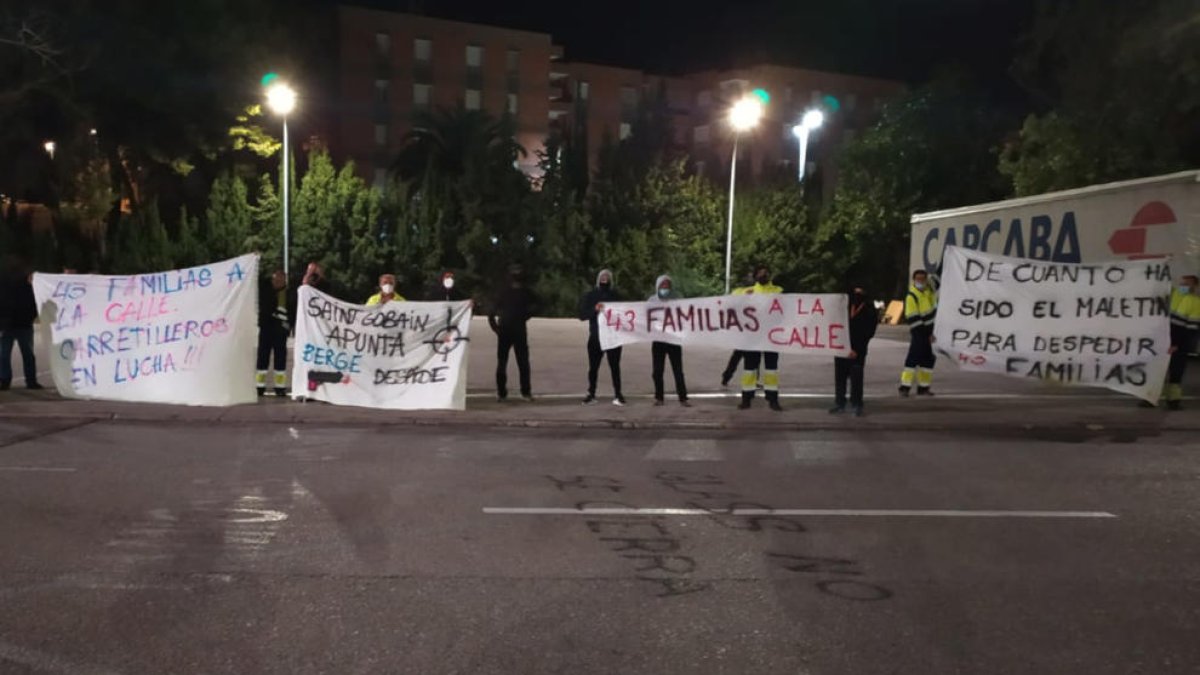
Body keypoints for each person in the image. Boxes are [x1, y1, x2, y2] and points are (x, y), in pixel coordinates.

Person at [734, 264, 783, 411]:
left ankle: (772, 398)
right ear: (755, 276)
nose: (763, 276)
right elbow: (731, 298)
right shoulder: (748, 292)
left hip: (771, 336)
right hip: (753, 337)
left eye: (766, 273)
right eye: (760, 273)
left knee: (771, 370)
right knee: (749, 369)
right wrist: (744, 295)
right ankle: (746, 398)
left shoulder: (777, 291)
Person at [489, 265, 538, 402]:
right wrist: (496, 328)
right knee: (515, 363)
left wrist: (496, 328)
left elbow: (491, 312)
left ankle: (506, 393)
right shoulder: (521, 292)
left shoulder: (508, 292)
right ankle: (517, 392)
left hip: (509, 330)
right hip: (512, 330)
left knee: (513, 363)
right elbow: (537, 305)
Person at [830, 285, 878, 416]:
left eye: (860, 291)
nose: (857, 293)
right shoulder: (843, 306)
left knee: (856, 378)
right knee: (840, 377)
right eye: (855, 290)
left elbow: (869, 332)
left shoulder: (869, 308)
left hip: (858, 350)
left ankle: (856, 403)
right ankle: (840, 403)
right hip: (841, 348)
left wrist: (857, 349)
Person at [579, 268, 624, 405]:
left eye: (607, 276)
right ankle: (591, 393)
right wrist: (594, 310)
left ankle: (618, 394)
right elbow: (582, 315)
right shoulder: (591, 296)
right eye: (602, 276)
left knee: (615, 367)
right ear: (598, 279)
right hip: (596, 337)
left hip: (613, 337)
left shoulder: (616, 296)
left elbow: (624, 314)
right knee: (593, 367)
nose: (605, 278)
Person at [0, 258, 42, 391]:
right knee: (27, 354)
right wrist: (30, 317)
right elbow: (34, 304)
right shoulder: (27, 286)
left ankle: (5, 381)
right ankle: (31, 381)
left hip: (8, 325)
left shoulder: (4, 285)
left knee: (4, 354)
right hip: (22, 324)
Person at [648, 274, 690, 407]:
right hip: (658, 340)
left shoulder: (677, 300)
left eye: (667, 285)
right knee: (657, 371)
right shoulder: (652, 301)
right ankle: (659, 397)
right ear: (658, 286)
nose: (665, 287)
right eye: (663, 285)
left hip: (673, 340)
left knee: (678, 370)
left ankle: (683, 398)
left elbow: (685, 316)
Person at [899, 269, 938, 396]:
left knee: (928, 359)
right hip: (919, 332)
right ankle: (904, 387)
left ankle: (923, 387)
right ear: (914, 280)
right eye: (918, 279)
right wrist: (928, 335)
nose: (920, 281)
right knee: (913, 359)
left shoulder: (929, 290)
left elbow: (939, 275)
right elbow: (914, 320)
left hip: (929, 332)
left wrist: (948, 251)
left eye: (923, 279)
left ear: (927, 280)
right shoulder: (911, 296)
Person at [1164, 274, 1200, 410]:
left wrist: (1176, 345)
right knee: (1158, 371)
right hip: (1165, 341)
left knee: (1176, 372)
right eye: (1182, 283)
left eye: (1188, 284)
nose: (1184, 286)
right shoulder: (1174, 295)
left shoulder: (1196, 303)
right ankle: (1151, 398)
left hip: (1178, 344)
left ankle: (1173, 401)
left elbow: (1191, 330)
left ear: (1195, 286)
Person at [256, 269, 294, 397]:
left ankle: (280, 387)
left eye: (281, 279)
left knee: (280, 358)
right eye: (275, 279)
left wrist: (289, 327)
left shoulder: (289, 294)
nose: (277, 282)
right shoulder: (266, 291)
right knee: (262, 357)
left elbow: (293, 312)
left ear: (285, 281)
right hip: (266, 328)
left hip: (281, 330)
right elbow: (259, 279)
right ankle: (259, 386)